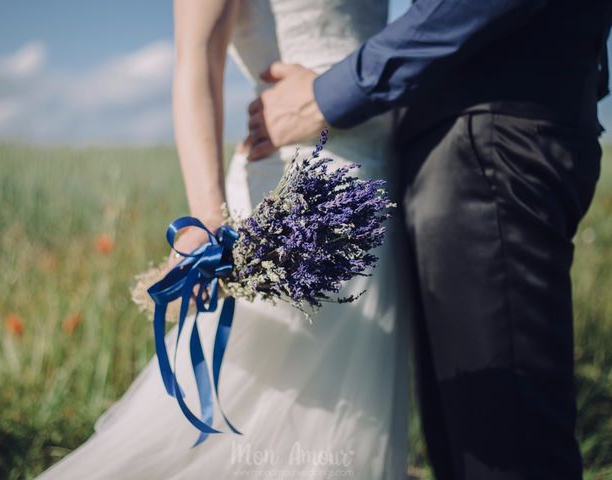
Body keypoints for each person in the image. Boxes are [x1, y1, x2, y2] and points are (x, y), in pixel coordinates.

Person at [36, 1, 412, 479]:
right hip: (294, 189)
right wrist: (209, 226)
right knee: (256, 406)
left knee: (352, 417)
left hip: (379, 186)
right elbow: (196, 61)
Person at [247, 0, 612, 479]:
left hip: (487, 138)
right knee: (467, 443)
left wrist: (325, 96)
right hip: (465, 139)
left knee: (502, 449)